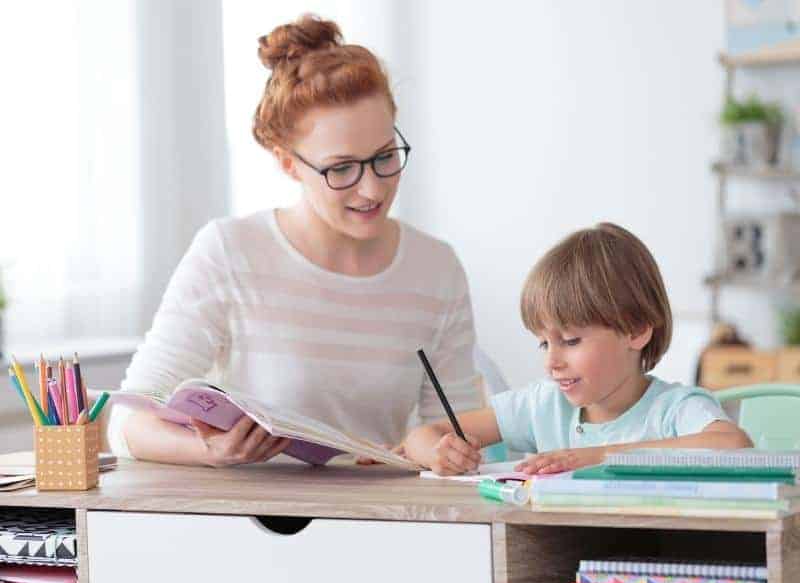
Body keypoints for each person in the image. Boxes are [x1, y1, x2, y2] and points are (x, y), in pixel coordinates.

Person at [106, 14, 482, 466]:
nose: (372, 189)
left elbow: (460, 426)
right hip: (252, 519)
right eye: (341, 168)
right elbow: (127, 425)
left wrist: (436, 452)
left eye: (385, 157)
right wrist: (212, 451)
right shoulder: (231, 252)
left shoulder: (436, 268)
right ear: (288, 164)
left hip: (378, 517)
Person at [404, 223, 752, 476]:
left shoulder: (674, 410)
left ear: (636, 330)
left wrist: (597, 456)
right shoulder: (543, 405)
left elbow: (733, 446)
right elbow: (421, 436)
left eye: (570, 341)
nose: (551, 362)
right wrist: (439, 453)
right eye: (544, 343)